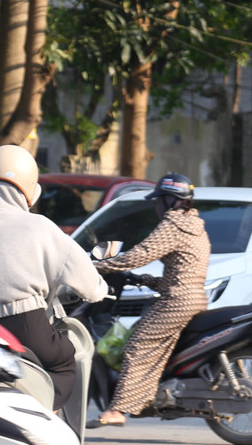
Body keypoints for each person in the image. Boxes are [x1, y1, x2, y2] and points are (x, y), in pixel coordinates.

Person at [0, 146, 107, 411]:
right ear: (29, 185)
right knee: (66, 362)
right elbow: (89, 283)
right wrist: (98, 290)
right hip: (27, 326)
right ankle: (43, 418)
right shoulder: (40, 226)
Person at [89, 173, 210, 429]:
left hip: (178, 301)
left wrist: (99, 266)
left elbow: (141, 254)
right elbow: (183, 270)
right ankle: (147, 397)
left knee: (136, 345)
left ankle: (117, 410)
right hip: (194, 297)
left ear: (170, 200)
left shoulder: (174, 224)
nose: (156, 206)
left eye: (158, 201)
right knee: (154, 347)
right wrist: (146, 280)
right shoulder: (195, 224)